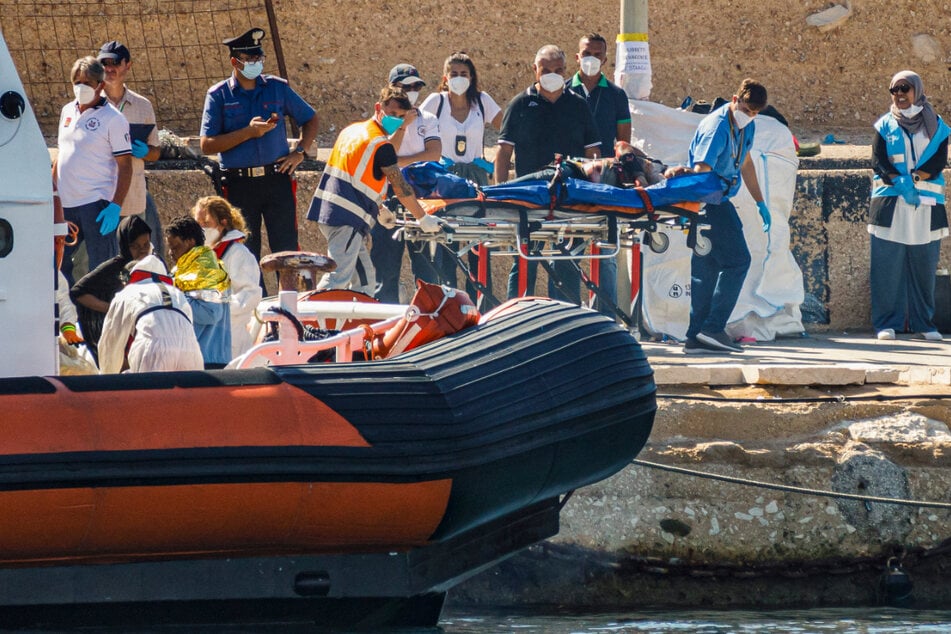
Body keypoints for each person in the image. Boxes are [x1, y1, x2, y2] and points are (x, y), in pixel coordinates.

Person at [664, 78, 772, 354]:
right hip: (709, 201)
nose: (750, 117)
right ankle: (713, 327)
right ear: (735, 101)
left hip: (716, 199)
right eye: (747, 110)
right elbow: (702, 170)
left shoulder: (747, 126)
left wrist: (761, 202)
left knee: (707, 269)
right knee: (739, 262)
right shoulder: (718, 127)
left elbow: (745, 163)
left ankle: (695, 335)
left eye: (755, 113)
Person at [199, 27, 319, 264]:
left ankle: (290, 299)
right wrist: (248, 133)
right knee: (244, 251)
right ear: (235, 61)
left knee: (287, 250)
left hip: (277, 178)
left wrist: (300, 152)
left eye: (259, 58)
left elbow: (310, 118)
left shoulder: (276, 87)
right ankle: (255, 300)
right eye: (249, 59)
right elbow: (207, 145)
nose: (256, 63)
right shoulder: (219, 95)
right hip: (239, 184)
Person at [307, 86, 441, 293]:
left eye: (401, 117)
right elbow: (400, 187)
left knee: (366, 282)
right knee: (337, 278)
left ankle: (354, 321)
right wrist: (422, 218)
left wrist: (378, 208)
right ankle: (305, 319)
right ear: (379, 107)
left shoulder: (352, 131)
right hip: (347, 219)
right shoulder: (381, 145)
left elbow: (357, 174)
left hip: (330, 211)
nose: (395, 120)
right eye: (392, 114)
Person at [494, 44, 601, 303]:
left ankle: (565, 319)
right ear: (535, 70)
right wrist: (501, 195)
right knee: (525, 262)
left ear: (566, 70)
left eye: (558, 70)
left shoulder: (578, 105)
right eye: (546, 69)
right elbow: (503, 152)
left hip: (571, 197)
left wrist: (594, 194)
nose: (552, 74)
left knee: (568, 262)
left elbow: (594, 153)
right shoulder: (520, 104)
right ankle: (514, 317)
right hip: (531, 198)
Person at [869, 71, 949, 341]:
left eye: (905, 88)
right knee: (886, 268)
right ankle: (885, 324)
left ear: (917, 90)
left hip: (925, 206)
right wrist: (900, 182)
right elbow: (878, 161)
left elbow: (938, 162)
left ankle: (924, 324)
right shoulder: (884, 125)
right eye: (894, 90)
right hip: (891, 205)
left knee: (923, 269)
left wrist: (915, 179)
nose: (899, 94)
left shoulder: (936, 126)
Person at [421, 51, 503, 307]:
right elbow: (415, 124)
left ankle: (480, 304)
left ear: (472, 77)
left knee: (480, 241)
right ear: (445, 78)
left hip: (476, 177)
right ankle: (449, 304)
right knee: (448, 242)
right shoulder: (437, 102)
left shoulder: (482, 101)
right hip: (444, 179)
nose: (458, 78)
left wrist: (497, 159)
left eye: (464, 74)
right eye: (454, 74)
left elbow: (508, 129)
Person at [566, 33, 632, 317]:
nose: (591, 58)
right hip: (572, 179)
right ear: (577, 56)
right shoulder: (564, 91)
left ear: (605, 59)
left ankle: (605, 316)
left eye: (597, 54)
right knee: (567, 250)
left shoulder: (616, 95)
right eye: (586, 53)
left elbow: (622, 140)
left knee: (606, 253)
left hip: (606, 183)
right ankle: (568, 314)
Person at [53, 56, 133, 285]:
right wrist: (53, 194)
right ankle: (66, 316)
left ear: (100, 85)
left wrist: (116, 205)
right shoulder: (67, 111)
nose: (80, 88)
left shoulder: (113, 119)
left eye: (86, 83)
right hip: (66, 205)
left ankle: (101, 318)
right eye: (76, 82)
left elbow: (125, 165)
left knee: (102, 269)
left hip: (96, 204)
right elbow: (61, 153)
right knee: (59, 265)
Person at [371, 64, 446, 304]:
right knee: (386, 264)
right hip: (389, 193)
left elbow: (434, 154)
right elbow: (386, 153)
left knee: (427, 264)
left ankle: (429, 313)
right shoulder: (382, 120)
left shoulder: (429, 118)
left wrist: (398, 161)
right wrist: (403, 125)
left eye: (416, 87)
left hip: (423, 191)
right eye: (406, 86)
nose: (412, 91)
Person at [97, 40, 165, 257]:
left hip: (133, 198)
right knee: (96, 263)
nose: (109, 68)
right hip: (99, 198)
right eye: (104, 63)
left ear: (128, 66)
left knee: (137, 259)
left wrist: (145, 152)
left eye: (115, 63)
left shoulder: (143, 105)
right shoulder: (90, 104)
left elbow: (156, 152)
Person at [98, 255, 204, 374]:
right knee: (187, 392)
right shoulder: (178, 294)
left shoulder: (128, 292)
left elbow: (111, 342)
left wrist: (106, 378)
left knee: (148, 392)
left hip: (152, 351)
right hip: (191, 351)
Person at [70, 215, 154, 365]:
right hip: (119, 336)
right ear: (125, 246)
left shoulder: (154, 266)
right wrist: (112, 309)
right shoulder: (114, 267)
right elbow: (78, 292)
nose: (142, 251)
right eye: (135, 246)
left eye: (146, 245)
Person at [192, 195, 263, 357]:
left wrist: (217, 309)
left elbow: (250, 295)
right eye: (198, 224)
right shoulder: (197, 255)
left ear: (223, 223)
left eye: (206, 223)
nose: (201, 228)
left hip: (230, 336)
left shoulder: (239, 254)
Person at [165, 216, 232, 368]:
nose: (170, 253)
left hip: (207, 360)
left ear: (190, 242)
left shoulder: (204, 270)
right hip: (201, 358)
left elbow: (211, 313)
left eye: (175, 247)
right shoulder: (190, 269)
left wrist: (174, 299)